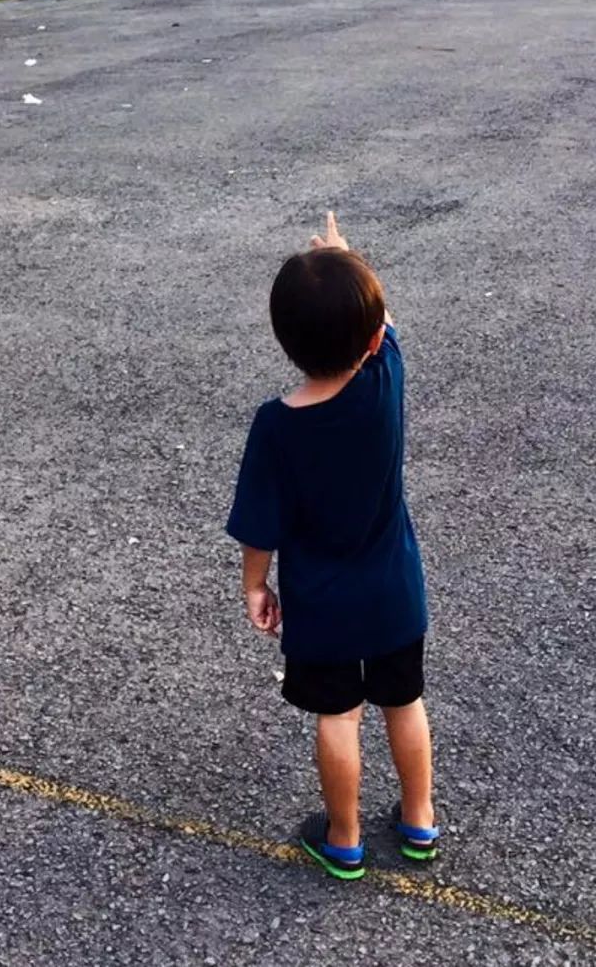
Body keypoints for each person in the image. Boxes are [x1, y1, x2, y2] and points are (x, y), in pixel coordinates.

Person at [225, 211, 437, 881]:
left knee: (338, 717)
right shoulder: (386, 378)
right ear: (373, 338)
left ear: (285, 339)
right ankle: (419, 819)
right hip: (395, 590)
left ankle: (344, 837)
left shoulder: (277, 426)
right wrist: (351, 259)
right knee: (404, 702)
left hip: (323, 602)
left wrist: (255, 585)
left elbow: (260, 523)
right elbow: (383, 320)